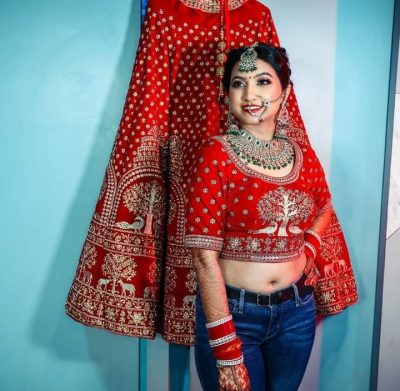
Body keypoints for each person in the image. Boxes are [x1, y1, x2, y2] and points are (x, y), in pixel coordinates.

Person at [65, 0, 357, 346]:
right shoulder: (164, 11)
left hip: (252, 168)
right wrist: (154, 162)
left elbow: (273, 89)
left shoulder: (256, 14)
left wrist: (309, 245)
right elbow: (150, 94)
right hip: (183, 148)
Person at [184, 44, 340, 391]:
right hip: (236, 316)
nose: (250, 94)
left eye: (263, 81)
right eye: (239, 83)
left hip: (297, 312)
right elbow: (204, 258)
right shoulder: (216, 154)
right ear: (227, 94)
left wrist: (309, 250)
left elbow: (324, 206)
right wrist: (225, 348)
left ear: (283, 92)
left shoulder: (300, 154)